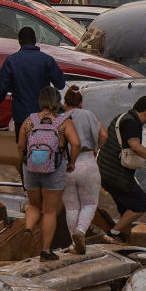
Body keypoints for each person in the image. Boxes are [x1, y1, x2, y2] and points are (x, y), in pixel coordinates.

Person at [19, 86, 81, 261]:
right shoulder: (64, 122)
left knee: (33, 205)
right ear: (57, 101)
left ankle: (28, 229)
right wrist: (72, 162)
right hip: (54, 168)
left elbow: (20, 146)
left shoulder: (29, 120)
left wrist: (26, 162)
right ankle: (45, 251)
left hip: (31, 168)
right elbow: (76, 144)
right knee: (49, 211)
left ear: (41, 102)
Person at [97, 96, 146, 243]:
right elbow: (135, 146)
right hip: (116, 175)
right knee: (141, 204)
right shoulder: (131, 123)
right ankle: (114, 234)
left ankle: (124, 239)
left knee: (126, 210)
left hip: (105, 172)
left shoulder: (122, 117)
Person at [0, 26, 66, 134]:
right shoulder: (47, 60)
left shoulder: (11, 61)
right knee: (44, 146)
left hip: (22, 117)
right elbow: (61, 84)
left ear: (19, 41)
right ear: (35, 40)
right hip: (43, 116)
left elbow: (1, 87)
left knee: (23, 147)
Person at [61, 85, 107, 254]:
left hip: (67, 165)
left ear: (65, 103)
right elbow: (104, 135)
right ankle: (80, 232)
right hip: (87, 161)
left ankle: (74, 244)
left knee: (71, 207)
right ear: (81, 103)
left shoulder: (62, 118)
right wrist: (97, 148)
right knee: (89, 203)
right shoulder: (89, 114)